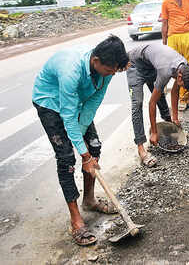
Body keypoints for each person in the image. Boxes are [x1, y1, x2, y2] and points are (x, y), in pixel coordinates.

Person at [32, 35, 129, 246]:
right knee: (66, 158)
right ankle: (76, 219)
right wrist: (81, 154)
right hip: (50, 102)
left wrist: (87, 151)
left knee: (94, 147)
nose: (112, 73)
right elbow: (67, 116)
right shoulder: (71, 70)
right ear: (95, 61)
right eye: (110, 69)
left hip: (76, 103)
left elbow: (93, 102)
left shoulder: (108, 68)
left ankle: (89, 200)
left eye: (115, 70)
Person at [126, 43, 189, 159]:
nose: (184, 89)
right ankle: (140, 147)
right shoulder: (166, 71)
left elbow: (174, 92)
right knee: (137, 104)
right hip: (135, 64)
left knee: (159, 94)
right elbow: (152, 103)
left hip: (151, 65)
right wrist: (154, 132)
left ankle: (170, 126)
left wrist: (175, 118)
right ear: (180, 77)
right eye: (184, 87)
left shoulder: (185, 67)